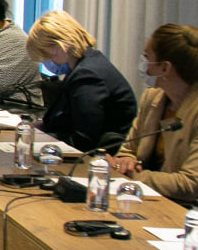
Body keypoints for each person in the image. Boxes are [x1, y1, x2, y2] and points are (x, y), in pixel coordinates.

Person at [109, 24, 198, 203]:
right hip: (151, 199)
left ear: (165, 68)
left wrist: (132, 176)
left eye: (147, 57)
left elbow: (189, 184)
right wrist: (124, 161)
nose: (143, 65)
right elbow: (129, 150)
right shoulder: (152, 97)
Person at [24, 10, 138, 151]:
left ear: (57, 47)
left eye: (46, 55)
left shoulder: (87, 75)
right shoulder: (86, 64)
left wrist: (40, 141)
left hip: (98, 157)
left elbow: (84, 140)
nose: (46, 61)